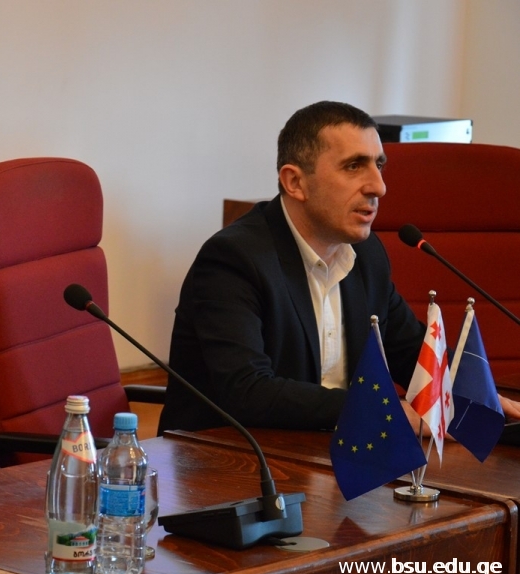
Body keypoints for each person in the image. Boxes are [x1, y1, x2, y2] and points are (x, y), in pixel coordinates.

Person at [158, 100, 520, 434]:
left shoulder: (366, 255)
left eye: (379, 165)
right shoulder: (234, 259)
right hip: (228, 460)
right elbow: (248, 391)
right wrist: (379, 410)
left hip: (333, 452)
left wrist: (478, 396)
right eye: (354, 166)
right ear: (295, 182)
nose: (378, 187)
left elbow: (412, 353)